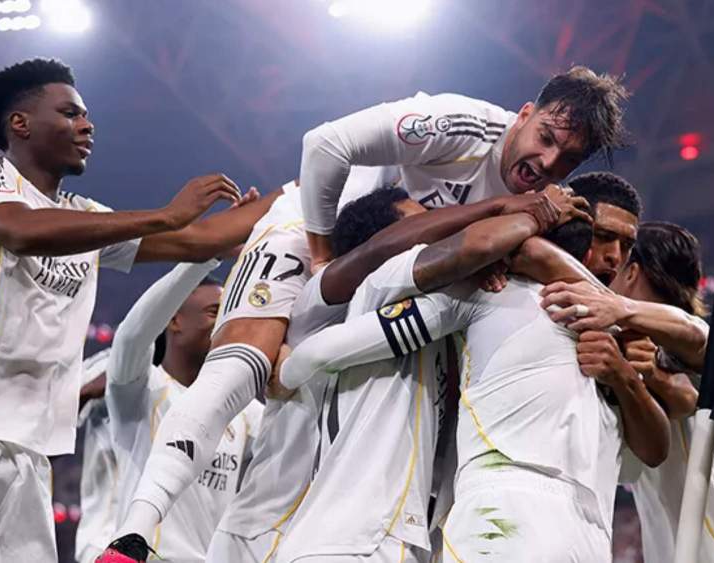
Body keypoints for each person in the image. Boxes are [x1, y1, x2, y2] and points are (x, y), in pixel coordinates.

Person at [0, 58, 274, 563]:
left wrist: (300, 191)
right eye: (69, 113)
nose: (87, 125)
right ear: (19, 123)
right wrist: (166, 215)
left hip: (30, 455)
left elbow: (200, 240)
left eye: (86, 116)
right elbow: (19, 231)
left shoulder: (85, 218)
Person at [103, 172, 587, 562]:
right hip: (284, 531)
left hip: (331, 529)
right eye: (425, 226)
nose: (441, 233)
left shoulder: (432, 311)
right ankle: (133, 534)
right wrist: (525, 214)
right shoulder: (335, 295)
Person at [278, 217, 670, 562]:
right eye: (604, 238)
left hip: (563, 524)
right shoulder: (492, 290)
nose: (614, 257)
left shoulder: (615, 344)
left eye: (625, 245)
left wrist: (283, 371)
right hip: (517, 511)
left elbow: (652, 452)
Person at [553, 222, 714, 562]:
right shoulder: (623, 351)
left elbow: (690, 376)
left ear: (633, 270)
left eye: (621, 259)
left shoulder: (687, 343)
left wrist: (625, 315)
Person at [299, 65, 630, 273]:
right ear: (525, 114)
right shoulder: (459, 126)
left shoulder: (550, 203)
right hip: (314, 227)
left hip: (378, 273)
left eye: (569, 159)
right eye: (545, 137)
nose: (549, 162)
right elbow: (324, 145)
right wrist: (321, 258)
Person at [96, 263, 262, 563]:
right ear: (174, 320)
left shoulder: (242, 410)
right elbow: (132, 337)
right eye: (214, 312)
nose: (224, 324)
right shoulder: (143, 391)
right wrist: (203, 256)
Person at [75, 349, 116, 563]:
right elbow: (42, 439)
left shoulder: (217, 378)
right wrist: (86, 392)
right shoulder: (110, 361)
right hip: (105, 543)